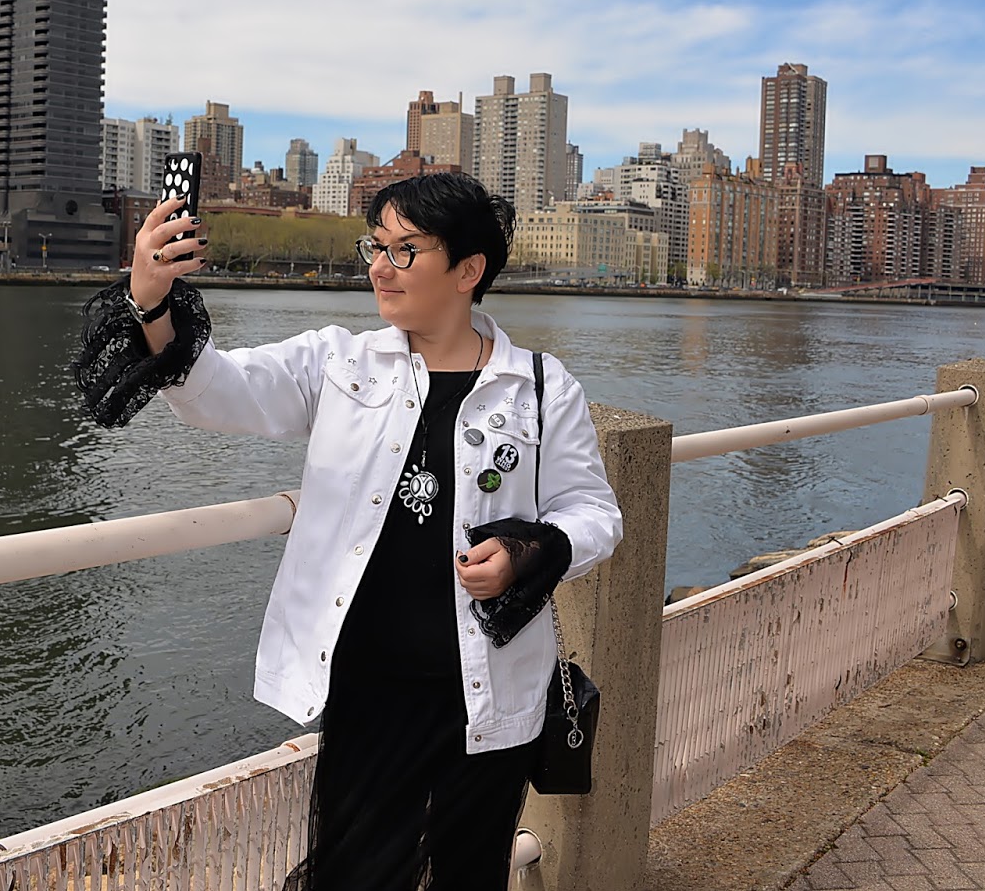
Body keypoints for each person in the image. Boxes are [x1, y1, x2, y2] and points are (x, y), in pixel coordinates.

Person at [73, 172, 622, 891]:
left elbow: (593, 513)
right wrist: (151, 299)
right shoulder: (338, 362)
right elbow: (217, 393)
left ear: (468, 270)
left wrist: (530, 552)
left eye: (404, 251)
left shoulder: (542, 387)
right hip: (370, 685)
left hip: (492, 689)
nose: (379, 268)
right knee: (357, 873)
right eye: (376, 247)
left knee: (469, 873)